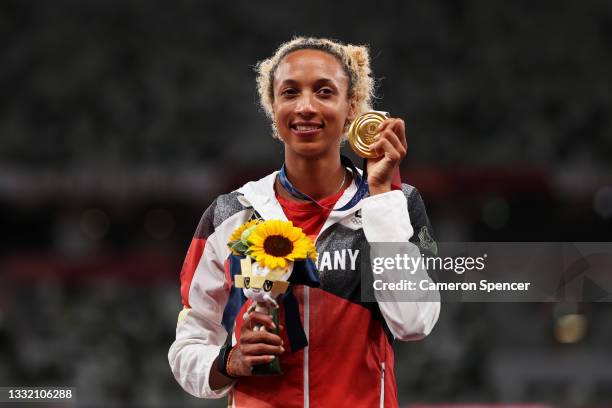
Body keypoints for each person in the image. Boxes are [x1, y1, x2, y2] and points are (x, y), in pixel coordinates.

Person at [168, 37, 440, 408]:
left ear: (352, 107)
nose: (306, 107)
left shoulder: (397, 203)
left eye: (325, 92)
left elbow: (414, 322)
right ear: (273, 107)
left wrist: (380, 196)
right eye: (290, 92)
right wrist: (228, 360)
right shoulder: (230, 214)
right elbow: (189, 345)